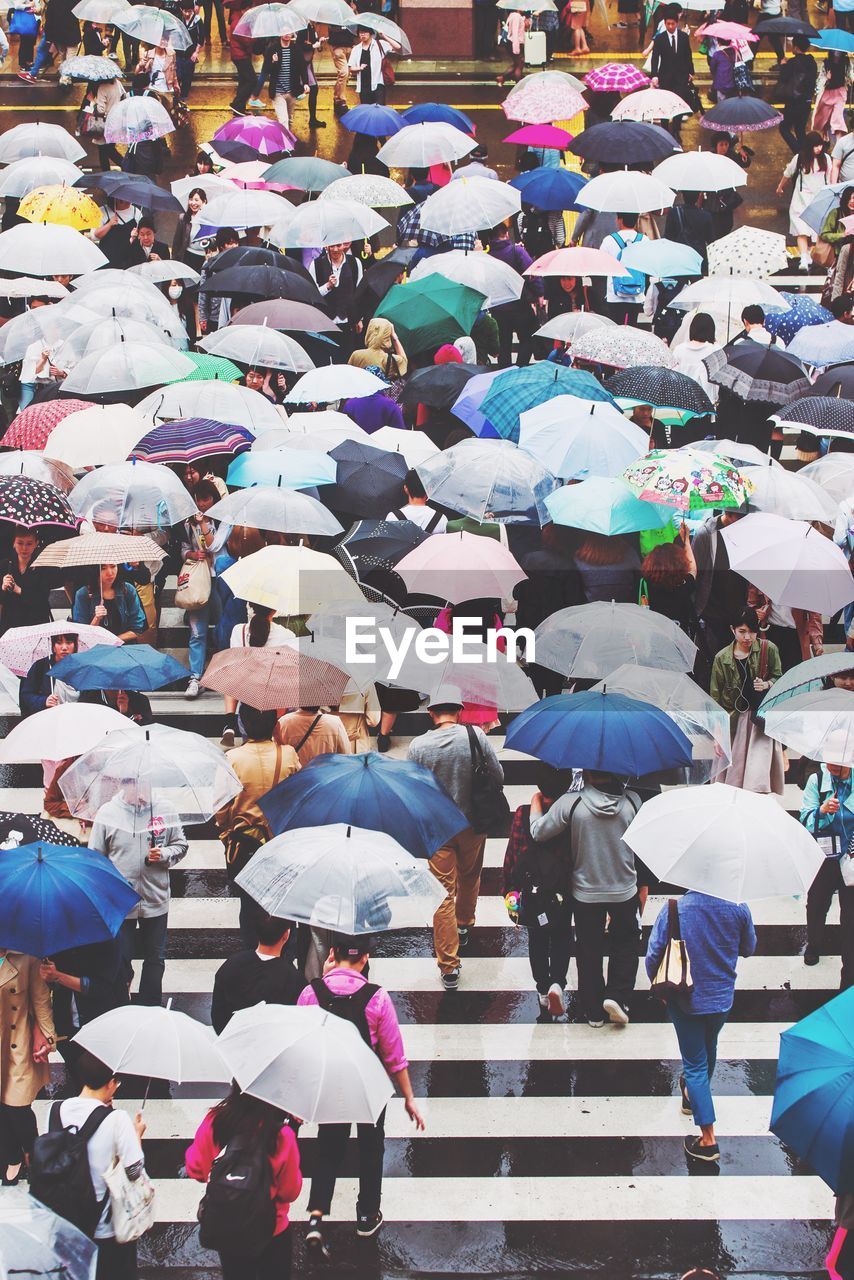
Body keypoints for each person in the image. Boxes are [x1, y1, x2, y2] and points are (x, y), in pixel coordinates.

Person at [298, 933, 425, 1253]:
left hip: (330, 1083)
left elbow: (301, 1044)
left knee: (328, 1147)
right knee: (371, 1148)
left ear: (333, 954)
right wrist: (409, 1098)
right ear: (365, 959)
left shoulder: (311, 993)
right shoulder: (377, 998)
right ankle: (367, 1213)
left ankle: (315, 1217)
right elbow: (395, 1056)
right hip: (369, 1085)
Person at [645, 892, 756, 1162]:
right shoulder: (739, 907)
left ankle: (707, 1139)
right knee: (709, 1047)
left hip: (685, 997)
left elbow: (653, 956)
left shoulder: (676, 909)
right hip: (721, 999)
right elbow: (749, 948)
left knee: (694, 1064)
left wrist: (658, 987)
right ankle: (690, 1095)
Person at [408, 686, 504, 990]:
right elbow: (498, 776)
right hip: (473, 822)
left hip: (438, 827)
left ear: (431, 713)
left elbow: (412, 788)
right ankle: (465, 923)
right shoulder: (476, 737)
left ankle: (449, 966)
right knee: (470, 875)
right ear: (458, 711)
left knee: (441, 892)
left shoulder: (419, 746)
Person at [530, 770, 642, 1027]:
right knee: (626, 942)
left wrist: (536, 806)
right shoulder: (634, 802)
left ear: (586, 773)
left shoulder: (573, 803)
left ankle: (593, 1012)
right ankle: (617, 995)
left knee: (588, 949)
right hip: (625, 888)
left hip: (585, 891)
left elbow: (538, 832)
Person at [186, 1085, 302, 1280]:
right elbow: (290, 1192)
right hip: (271, 1229)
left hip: (229, 1224)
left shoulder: (216, 1121)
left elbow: (196, 1169)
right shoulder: (281, 1135)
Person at [89, 780, 188, 1006]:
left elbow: (181, 845)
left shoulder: (166, 809)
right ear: (125, 785)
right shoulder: (108, 813)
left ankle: (150, 1005)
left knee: (155, 958)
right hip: (121, 903)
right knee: (120, 959)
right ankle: (120, 1002)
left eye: (148, 787)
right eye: (139, 788)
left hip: (156, 898)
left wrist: (164, 853)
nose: (144, 795)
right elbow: (95, 857)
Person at [49, 1049, 147, 1278]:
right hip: (104, 1227)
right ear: (111, 1083)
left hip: (67, 1222)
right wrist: (137, 1136)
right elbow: (134, 1171)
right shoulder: (117, 1119)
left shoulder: (55, 1111)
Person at [215, 703, 300, 946]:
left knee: (249, 905)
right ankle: (283, 954)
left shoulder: (232, 759)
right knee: (282, 903)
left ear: (243, 724)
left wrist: (227, 834)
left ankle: (253, 955)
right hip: (280, 842)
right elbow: (297, 796)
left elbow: (221, 809)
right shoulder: (289, 755)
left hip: (244, 844)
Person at [503, 765, 575, 1017]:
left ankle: (543, 988)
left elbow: (513, 853)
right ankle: (558, 981)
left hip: (532, 892)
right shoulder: (569, 816)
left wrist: (509, 889)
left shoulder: (523, 813)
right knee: (563, 935)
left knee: (537, 938)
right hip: (561, 892)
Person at [709, 607, 784, 795]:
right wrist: (718, 734)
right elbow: (715, 698)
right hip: (733, 721)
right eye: (742, 632)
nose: (747, 637)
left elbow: (780, 679)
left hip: (759, 721)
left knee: (757, 778)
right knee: (732, 781)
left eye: (752, 631)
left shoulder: (769, 649)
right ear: (732, 630)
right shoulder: (722, 658)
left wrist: (767, 684)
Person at [0, 949, 55, 1185]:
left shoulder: (26, 956)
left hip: (16, 1041)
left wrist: (47, 1036)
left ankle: (34, 1155)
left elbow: (40, 999)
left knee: (18, 1107)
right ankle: (12, 1155)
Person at [799, 762, 854, 987]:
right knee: (816, 905)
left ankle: (848, 974)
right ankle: (815, 942)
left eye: (838, 767)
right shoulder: (817, 780)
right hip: (824, 857)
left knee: (851, 917)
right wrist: (821, 811)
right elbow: (805, 819)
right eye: (829, 764)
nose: (832, 769)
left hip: (851, 857)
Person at [211, 912, 302, 1033]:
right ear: (286, 935)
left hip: (234, 1040)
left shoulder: (230, 966)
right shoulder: (294, 979)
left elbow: (218, 1014)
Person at [220, 603, 297, 745]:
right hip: (275, 708)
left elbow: (235, 669)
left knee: (232, 674)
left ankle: (229, 723)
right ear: (274, 610)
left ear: (250, 605)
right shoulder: (287, 636)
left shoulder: (239, 630)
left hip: (248, 708)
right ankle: (277, 725)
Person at [180, 484, 218, 698]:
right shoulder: (187, 524)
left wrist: (203, 523)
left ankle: (220, 673)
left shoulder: (221, 521)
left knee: (223, 629)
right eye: (198, 499)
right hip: (197, 580)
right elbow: (183, 548)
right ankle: (195, 676)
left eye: (206, 499)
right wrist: (190, 555)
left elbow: (214, 545)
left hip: (219, 579)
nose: (202, 504)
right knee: (197, 631)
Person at [776, 132, 830, 273]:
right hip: (801, 199)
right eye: (815, 146)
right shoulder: (799, 158)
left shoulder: (826, 159)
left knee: (815, 230)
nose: (819, 148)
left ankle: (809, 255)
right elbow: (788, 173)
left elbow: (830, 178)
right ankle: (804, 257)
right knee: (801, 229)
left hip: (819, 199)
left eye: (820, 145)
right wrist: (780, 187)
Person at [72, 564, 147, 641]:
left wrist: (112, 640)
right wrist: (97, 618)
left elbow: (137, 629)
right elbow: (82, 635)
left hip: (124, 645)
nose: (110, 573)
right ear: (94, 570)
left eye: (113, 566)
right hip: (96, 647)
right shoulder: (83, 594)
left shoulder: (128, 590)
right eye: (103, 568)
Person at [0, 529, 54, 634]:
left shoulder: (43, 566)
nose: (24, 548)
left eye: (29, 544)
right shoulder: (4, 565)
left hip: (36, 623)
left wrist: (19, 590)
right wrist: (3, 588)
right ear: (13, 543)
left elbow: (42, 600)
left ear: (36, 544)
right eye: (20, 543)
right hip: (10, 625)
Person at [650, 8, 694, 135]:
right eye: (667, 24)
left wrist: (691, 72)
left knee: (678, 104)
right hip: (665, 76)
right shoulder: (660, 39)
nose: (670, 26)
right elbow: (655, 58)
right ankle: (664, 130)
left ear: (677, 23)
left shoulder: (684, 37)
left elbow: (688, 55)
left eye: (672, 24)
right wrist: (654, 75)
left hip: (681, 76)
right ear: (664, 23)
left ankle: (675, 130)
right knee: (664, 105)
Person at [600, 213, 647, 326]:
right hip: (637, 294)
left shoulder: (609, 240)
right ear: (636, 220)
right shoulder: (644, 240)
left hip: (614, 295)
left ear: (619, 220)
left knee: (615, 330)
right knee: (633, 330)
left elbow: (602, 264)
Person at [19, 630, 79, 716]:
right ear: (53, 647)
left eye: (69, 643)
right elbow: (26, 695)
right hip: (49, 718)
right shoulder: (41, 666)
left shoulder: (83, 668)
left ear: (75, 645)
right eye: (59, 643)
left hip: (77, 717)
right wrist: (44, 701)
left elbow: (92, 698)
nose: (64, 647)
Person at [309, 240, 363, 329]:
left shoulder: (355, 263)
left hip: (349, 322)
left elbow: (359, 292)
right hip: (325, 322)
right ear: (326, 246)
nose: (335, 249)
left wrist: (359, 318)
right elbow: (312, 295)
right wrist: (327, 286)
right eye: (332, 246)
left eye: (338, 245)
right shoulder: (316, 265)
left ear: (344, 245)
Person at [778, 35, 818, 153]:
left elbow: (784, 79)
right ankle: (806, 155)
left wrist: (783, 65)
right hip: (806, 102)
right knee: (800, 129)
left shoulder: (792, 63)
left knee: (784, 128)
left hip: (793, 103)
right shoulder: (812, 62)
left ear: (796, 47)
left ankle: (799, 154)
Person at [274, 704, 351, 764]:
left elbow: (278, 754)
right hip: (325, 778)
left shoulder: (284, 722)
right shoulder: (335, 722)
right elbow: (346, 754)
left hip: (296, 779)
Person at [671, 312, 720, 403]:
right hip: (708, 403)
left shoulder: (679, 349)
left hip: (683, 402)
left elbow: (673, 376)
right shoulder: (715, 350)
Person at [262, 31, 304, 130]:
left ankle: (288, 140)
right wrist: (273, 62)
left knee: (289, 120)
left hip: (292, 92)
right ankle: (286, 145)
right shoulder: (272, 49)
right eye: (285, 32)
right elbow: (266, 70)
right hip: (277, 92)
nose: (287, 34)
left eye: (290, 32)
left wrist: (306, 83)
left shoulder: (296, 49)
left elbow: (302, 67)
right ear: (280, 33)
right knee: (283, 121)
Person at [386, 468, 448, 533]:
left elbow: (387, 542)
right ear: (429, 489)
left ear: (406, 488)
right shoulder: (441, 520)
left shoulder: (393, 518)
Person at [664, 192, 714, 271]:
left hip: (679, 257)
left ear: (683, 196)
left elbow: (668, 237)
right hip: (699, 258)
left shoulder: (674, 212)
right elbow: (711, 240)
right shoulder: (706, 215)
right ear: (698, 197)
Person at [348, 25, 397, 105]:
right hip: (363, 86)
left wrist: (384, 36)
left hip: (377, 84)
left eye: (365, 32)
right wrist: (359, 68)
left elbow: (397, 47)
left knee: (379, 110)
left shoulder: (379, 44)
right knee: (366, 111)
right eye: (360, 33)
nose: (362, 35)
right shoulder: (356, 49)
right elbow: (351, 68)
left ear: (370, 33)